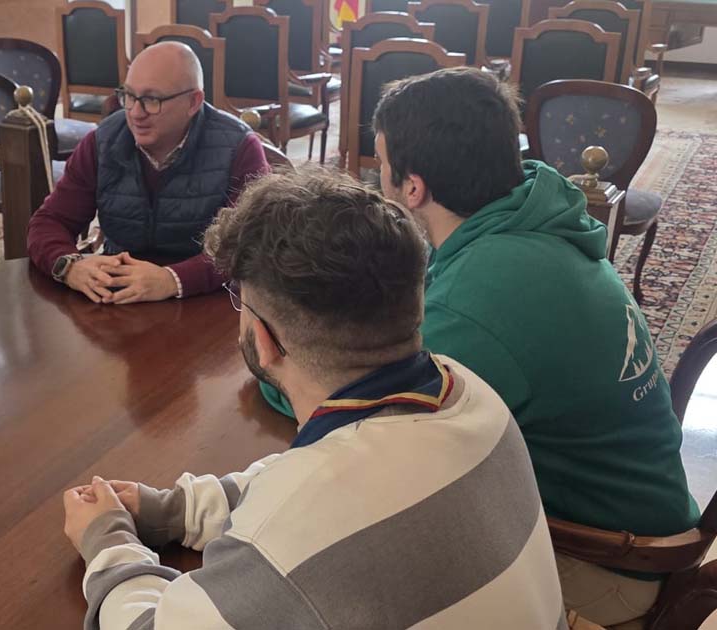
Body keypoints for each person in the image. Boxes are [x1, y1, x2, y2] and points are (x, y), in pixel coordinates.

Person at [261, 67, 697, 625]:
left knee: (334, 572)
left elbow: (349, 406)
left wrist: (272, 359)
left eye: (382, 169)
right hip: (632, 508)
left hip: (605, 562)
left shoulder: (483, 297)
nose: (380, 183)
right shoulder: (530, 215)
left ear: (411, 188)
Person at [63, 168, 565, 629]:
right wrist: (175, 509)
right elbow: (297, 484)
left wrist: (108, 539)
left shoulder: (293, 539)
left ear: (261, 337)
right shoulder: (466, 390)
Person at [27, 42, 269, 304]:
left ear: (193, 102)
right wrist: (70, 266)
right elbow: (49, 222)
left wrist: (173, 279)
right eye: (129, 96)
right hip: (118, 301)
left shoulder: (239, 148)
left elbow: (251, 247)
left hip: (207, 303)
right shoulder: (102, 142)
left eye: (152, 100)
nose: (135, 113)